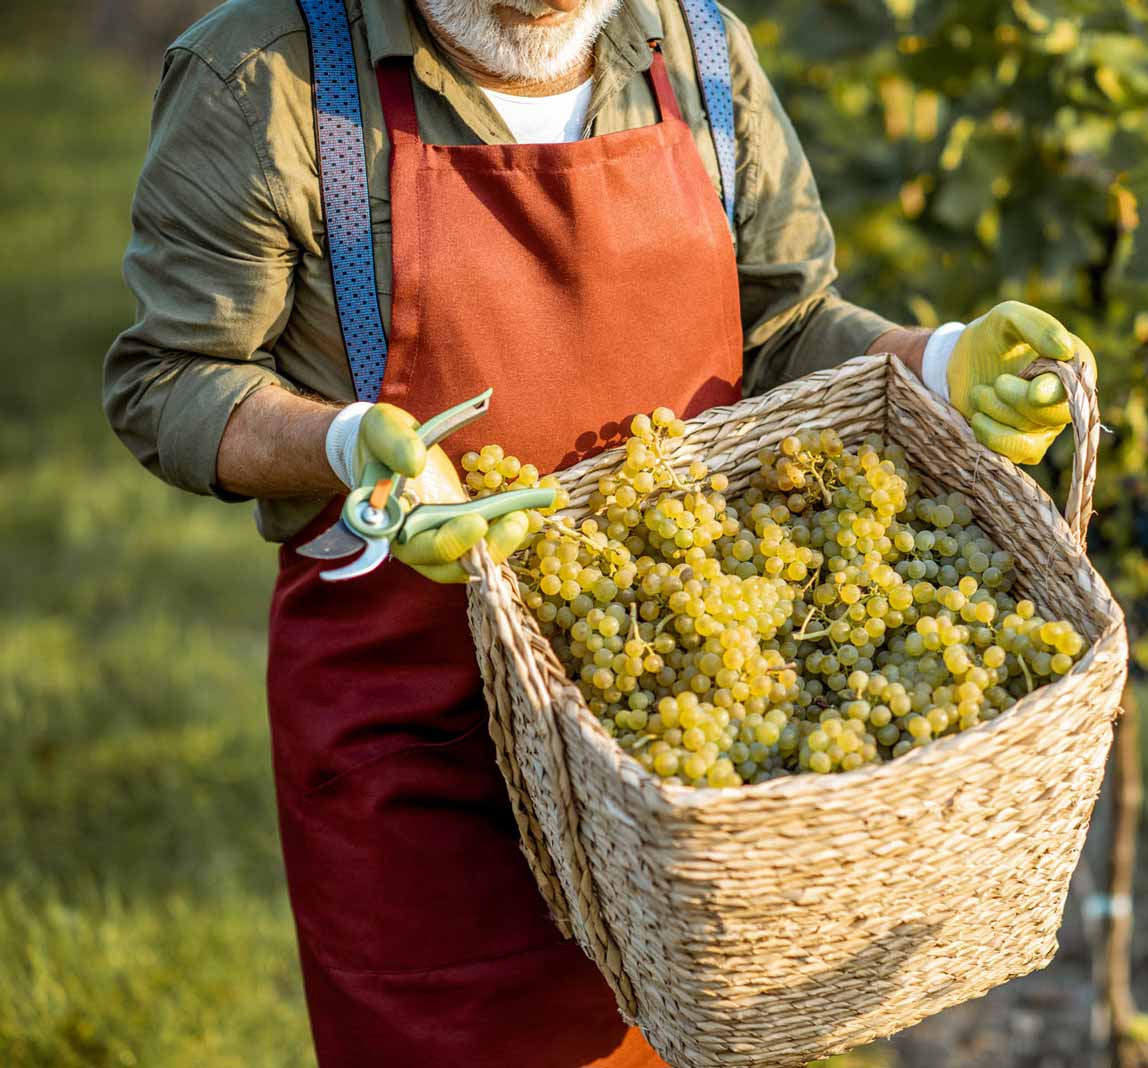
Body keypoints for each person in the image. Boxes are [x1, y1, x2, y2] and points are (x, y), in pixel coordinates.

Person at [102, 0, 1093, 1063]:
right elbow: (170, 378)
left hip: (683, 756)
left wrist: (938, 363)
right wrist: (345, 445)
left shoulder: (700, 52)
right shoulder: (270, 77)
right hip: (419, 740)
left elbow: (787, 326)